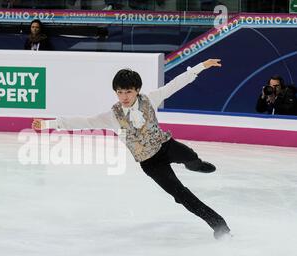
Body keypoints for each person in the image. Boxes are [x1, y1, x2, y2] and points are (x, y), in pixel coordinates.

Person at [32, 59, 232, 240]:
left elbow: (175, 84)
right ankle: (219, 225)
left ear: (136, 90)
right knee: (181, 195)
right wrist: (50, 124)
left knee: (191, 156)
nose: (124, 96)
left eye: (128, 91)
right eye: (120, 92)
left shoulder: (150, 99)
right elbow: (84, 121)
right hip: (150, 163)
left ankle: (195, 166)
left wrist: (201, 66)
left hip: (166, 146)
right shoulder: (112, 115)